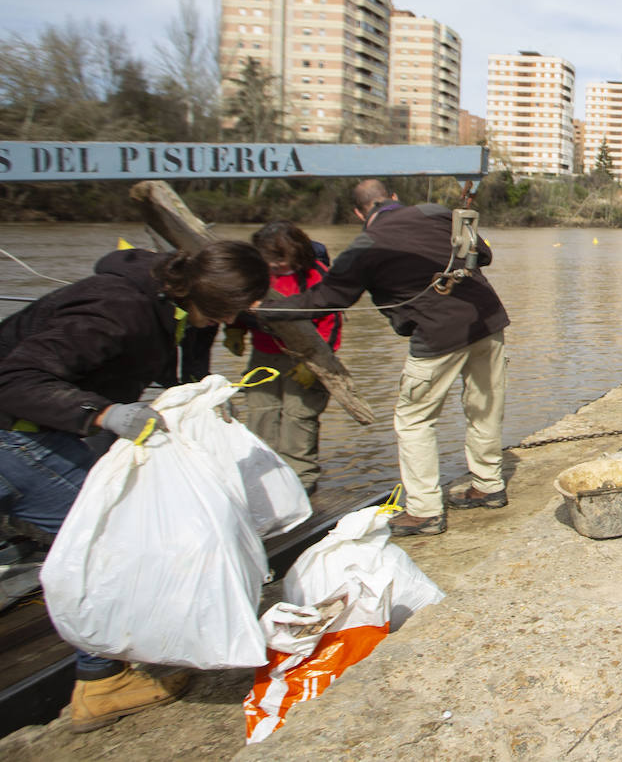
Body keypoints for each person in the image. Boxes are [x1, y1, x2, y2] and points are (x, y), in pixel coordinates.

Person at [0, 241, 268, 731]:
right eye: (238, 309)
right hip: (16, 438)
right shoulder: (116, 308)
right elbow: (14, 378)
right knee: (112, 540)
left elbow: (170, 359)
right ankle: (101, 684)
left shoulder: (167, 298)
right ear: (212, 297)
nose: (240, 318)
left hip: (43, 430)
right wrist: (103, 413)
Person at [260, 180, 510, 537]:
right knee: (484, 408)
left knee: (414, 421)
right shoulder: (436, 213)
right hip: (488, 321)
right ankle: (488, 485)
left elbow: (329, 298)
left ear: (359, 213)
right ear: (393, 197)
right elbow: (482, 255)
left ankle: (424, 511)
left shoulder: (364, 245)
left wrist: (265, 309)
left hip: (437, 336)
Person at [224, 222, 340, 496]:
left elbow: (331, 321)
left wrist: (317, 363)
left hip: (307, 356)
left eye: (280, 261)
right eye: (269, 261)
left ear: (298, 253)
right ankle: (263, 476)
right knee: (261, 412)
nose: (274, 267)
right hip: (264, 353)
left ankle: (302, 480)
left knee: (299, 416)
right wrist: (234, 330)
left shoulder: (317, 275)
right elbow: (238, 304)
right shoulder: (255, 274)